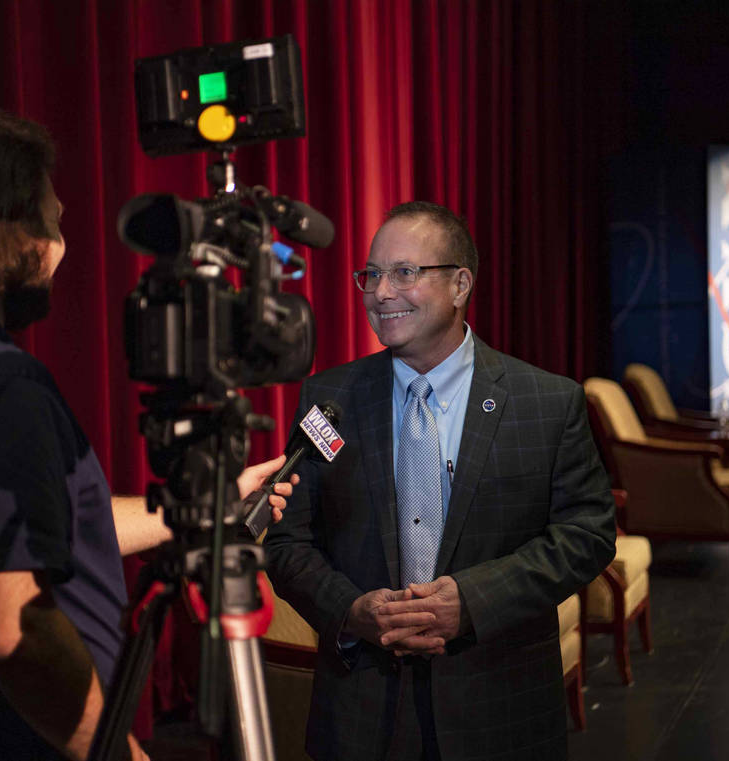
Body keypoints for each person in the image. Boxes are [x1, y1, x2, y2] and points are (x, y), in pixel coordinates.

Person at [0, 109, 295, 761]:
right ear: (12, 237)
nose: (63, 246)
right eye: (54, 223)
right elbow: (13, 627)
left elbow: (12, 525)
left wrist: (215, 500)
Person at [264, 201, 617, 761]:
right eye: (371, 275)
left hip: (501, 707)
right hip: (363, 711)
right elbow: (288, 542)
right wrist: (353, 610)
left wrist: (473, 601)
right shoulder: (328, 400)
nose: (381, 293)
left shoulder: (547, 402)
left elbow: (587, 534)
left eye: (405, 273)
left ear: (460, 285)